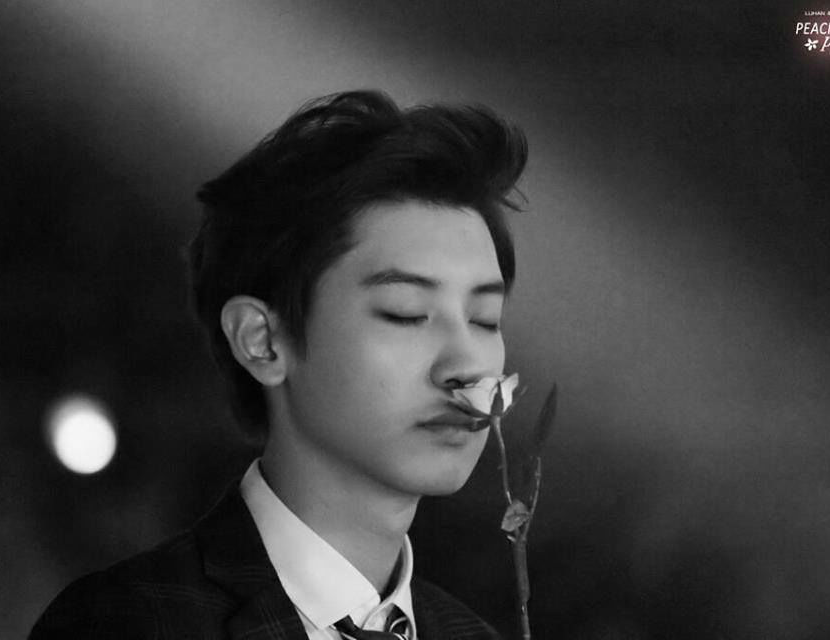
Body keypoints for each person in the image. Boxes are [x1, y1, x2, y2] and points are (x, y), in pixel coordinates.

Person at [29, 89, 527, 639]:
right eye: (405, 313)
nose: (466, 365)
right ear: (262, 340)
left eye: (485, 319)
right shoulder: (131, 622)